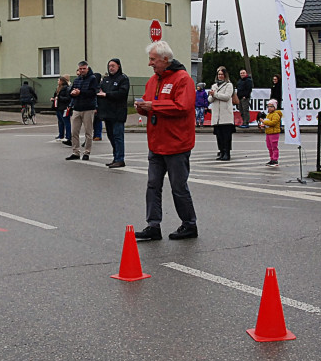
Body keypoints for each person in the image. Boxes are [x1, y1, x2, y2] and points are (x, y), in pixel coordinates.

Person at [133, 40, 197, 241]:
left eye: (153, 60)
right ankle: (153, 225)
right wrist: (142, 107)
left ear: (165, 59)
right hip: (156, 143)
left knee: (178, 187)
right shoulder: (153, 81)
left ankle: (189, 224)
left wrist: (154, 106)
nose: (150, 64)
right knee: (153, 184)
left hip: (177, 144)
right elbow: (149, 101)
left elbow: (182, 106)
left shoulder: (183, 79)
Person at [97, 58, 130, 168]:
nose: (111, 68)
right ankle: (115, 157)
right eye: (109, 66)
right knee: (111, 136)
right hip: (107, 113)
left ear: (118, 66)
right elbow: (101, 91)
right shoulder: (106, 79)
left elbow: (122, 93)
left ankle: (120, 159)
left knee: (118, 137)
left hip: (118, 113)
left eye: (113, 66)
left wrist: (107, 95)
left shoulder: (123, 79)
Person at [67, 62, 99, 161]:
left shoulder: (92, 79)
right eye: (80, 69)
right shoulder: (76, 80)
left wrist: (80, 92)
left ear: (87, 69)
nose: (82, 70)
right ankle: (75, 152)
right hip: (77, 108)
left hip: (88, 108)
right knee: (74, 131)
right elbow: (71, 92)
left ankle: (87, 152)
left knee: (88, 132)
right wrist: (72, 93)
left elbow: (93, 93)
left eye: (84, 69)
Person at [208, 66, 235, 161]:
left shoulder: (229, 85)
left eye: (222, 74)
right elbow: (210, 100)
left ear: (225, 75)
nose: (220, 76)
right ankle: (221, 152)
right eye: (219, 74)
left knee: (226, 136)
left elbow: (227, 97)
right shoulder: (214, 86)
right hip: (216, 115)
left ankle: (227, 153)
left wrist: (215, 94)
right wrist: (212, 95)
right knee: (219, 135)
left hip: (225, 115)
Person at [258, 99, 282, 166]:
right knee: (269, 147)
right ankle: (272, 159)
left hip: (274, 133)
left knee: (274, 147)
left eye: (271, 106)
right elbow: (268, 124)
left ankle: (275, 160)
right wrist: (263, 126)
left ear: (274, 107)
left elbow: (273, 123)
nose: (269, 108)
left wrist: (264, 122)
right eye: (268, 106)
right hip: (268, 132)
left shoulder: (276, 115)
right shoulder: (268, 115)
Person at [52, 76, 72, 144]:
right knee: (60, 121)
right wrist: (53, 98)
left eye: (59, 80)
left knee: (66, 122)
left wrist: (59, 98)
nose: (58, 81)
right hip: (58, 107)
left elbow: (68, 98)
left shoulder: (66, 88)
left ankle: (68, 136)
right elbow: (55, 96)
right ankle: (61, 135)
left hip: (64, 107)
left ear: (62, 81)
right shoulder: (58, 88)